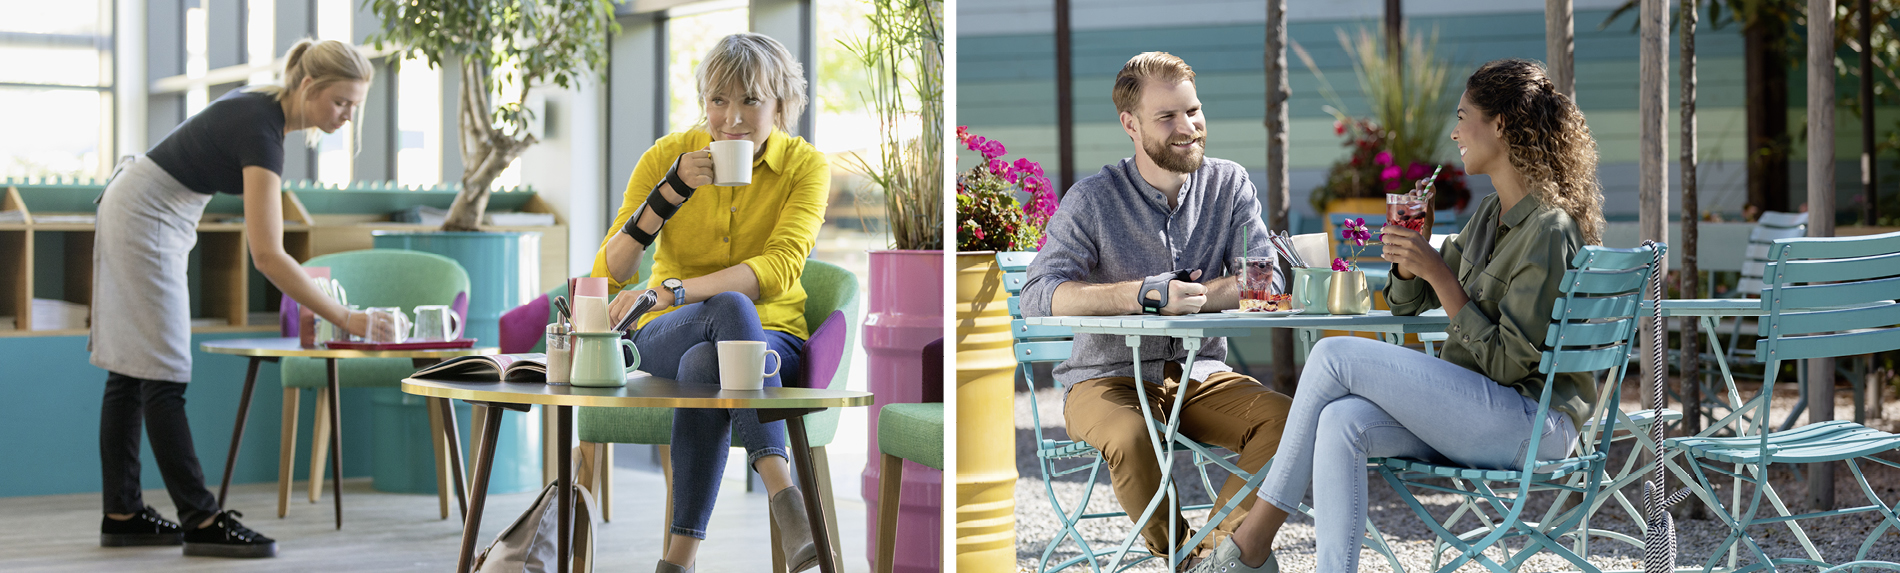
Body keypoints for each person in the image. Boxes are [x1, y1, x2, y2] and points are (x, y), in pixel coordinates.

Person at [1188, 58, 1609, 573]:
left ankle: (1253, 539)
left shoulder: (1548, 229)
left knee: (1334, 353)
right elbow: (1409, 306)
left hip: (1531, 425)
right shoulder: (1487, 218)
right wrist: (1411, 259)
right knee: (1342, 420)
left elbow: (1508, 365)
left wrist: (1441, 276)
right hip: (1480, 414)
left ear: (1500, 124)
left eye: (1463, 116)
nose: (1455, 131)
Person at [92, 38, 377, 559]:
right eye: (341, 102)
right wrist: (344, 318)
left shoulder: (262, 113)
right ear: (309, 86)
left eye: (355, 106)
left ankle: (124, 513)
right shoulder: (261, 128)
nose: (347, 115)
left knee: (132, 370)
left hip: (146, 205)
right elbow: (267, 255)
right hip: (147, 216)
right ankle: (200, 520)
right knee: (163, 370)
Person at [1020, 51, 1293, 568]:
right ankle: (1186, 558)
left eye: (1192, 110)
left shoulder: (1229, 184)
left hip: (1202, 374)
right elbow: (1038, 293)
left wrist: (1201, 297)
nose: (1187, 127)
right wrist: (1144, 294)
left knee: (1290, 419)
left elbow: (1269, 277)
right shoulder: (1093, 199)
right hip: (1106, 380)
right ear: (1130, 124)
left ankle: (1218, 553)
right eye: (1166, 117)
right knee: (1130, 433)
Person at [591, 33, 829, 573]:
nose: (731, 119)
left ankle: (677, 561)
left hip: (772, 340)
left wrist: (671, 289)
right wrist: (667, 195)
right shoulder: (666, 157)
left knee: (716, 347)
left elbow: (779, 268)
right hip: (666, 334)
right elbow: (609, 273)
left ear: (782, 105)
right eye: (718, 100)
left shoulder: (805, 167)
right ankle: (786, 499)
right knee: (716, 322)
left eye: (750, 100)